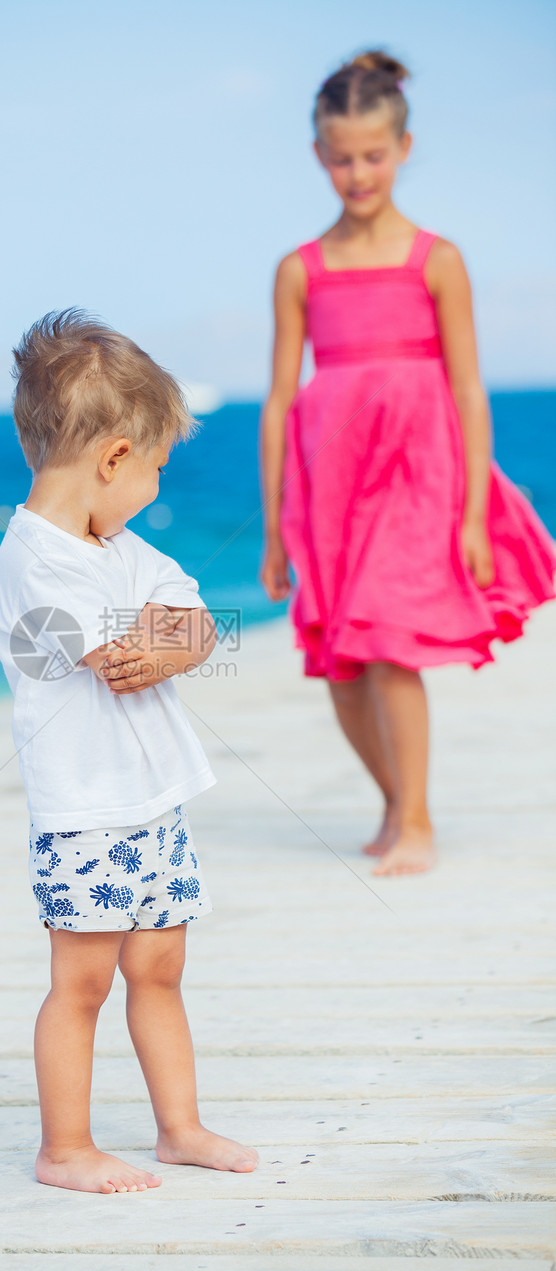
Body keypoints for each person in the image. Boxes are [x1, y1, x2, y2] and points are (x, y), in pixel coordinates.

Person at [259, 50, 555, 879]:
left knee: (389, 641)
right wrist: (277, 528)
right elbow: (281, 402)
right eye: (343, 157)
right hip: (330, 487)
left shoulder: (438, 260)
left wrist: (470, 515)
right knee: (341, 664)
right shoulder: (300, 272)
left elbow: (468, 391)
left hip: (420, 479)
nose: (359, 172)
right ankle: (395, 801)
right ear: (320, 156)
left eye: (374, 155)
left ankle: (418, 822)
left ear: (405, 147)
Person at [0, 309, 258, 1194]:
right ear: (113, 458)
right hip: (85, 814)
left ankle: (177, 1127)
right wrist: (172, 638)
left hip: (152, 803)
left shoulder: (119, 546)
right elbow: (121, 654)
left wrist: (182, 638)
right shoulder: (34, 561)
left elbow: (191, 617)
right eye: (156, 469)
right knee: (82, 984)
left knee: (160, 967)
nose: (154, 487)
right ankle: (64, 1146)